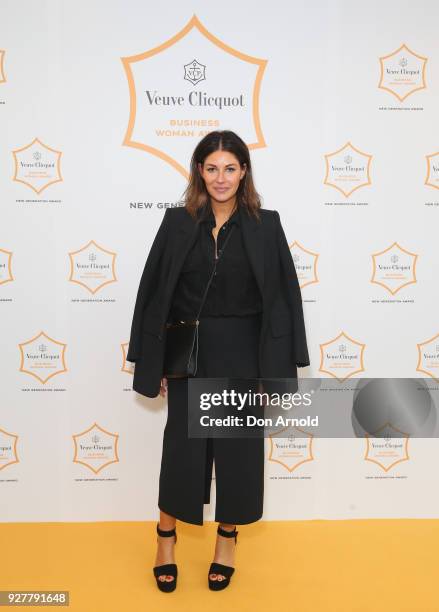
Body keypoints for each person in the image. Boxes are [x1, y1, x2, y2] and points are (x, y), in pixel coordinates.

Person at [126, 130, 310, 592]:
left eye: (230, 168)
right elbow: (154, 294)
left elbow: (285, 298)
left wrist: (276, 371)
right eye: (212, 168)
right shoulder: (176, 222)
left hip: (244, 356)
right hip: (190, 355)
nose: (221, 178)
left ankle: (226, 541)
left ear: (244, 171)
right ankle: (165, 539)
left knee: (238, 456)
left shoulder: (267, 226)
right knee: (182, 455)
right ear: (199, 171)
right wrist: (156, 360)